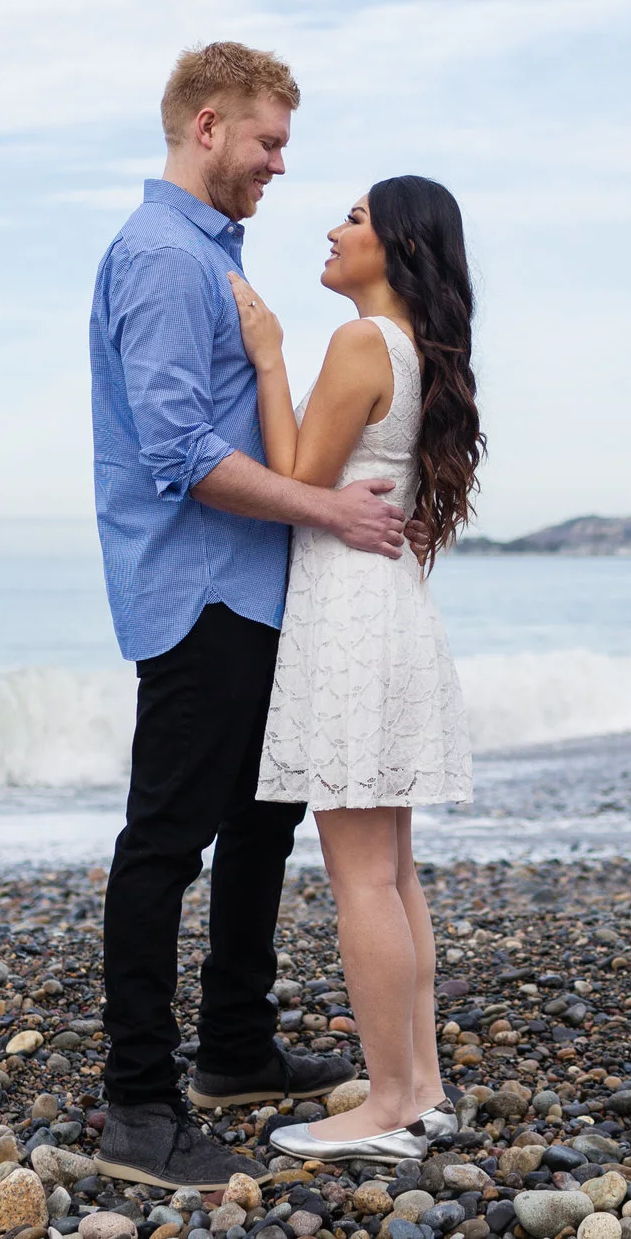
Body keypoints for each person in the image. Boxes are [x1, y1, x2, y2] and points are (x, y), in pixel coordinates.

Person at [87, 42, 413, 1192]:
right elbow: (180, 451)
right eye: (268, 141)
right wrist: (326, 508)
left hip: (257, 587)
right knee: (165, 841)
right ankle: (138, 1107)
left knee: (262, 823)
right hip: (199, 589)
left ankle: (234, 1046)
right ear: (208, 126)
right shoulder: (162, 256)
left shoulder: (208, 252)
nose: (279, 163)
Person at [222, 174, 485, 1165]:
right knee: (392, 870)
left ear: (399, 246)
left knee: (363, 876)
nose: (335, 230)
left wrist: (268, 356)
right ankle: (421, 1090)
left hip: (351, 622)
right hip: (392, 614)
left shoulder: (361, 341)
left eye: (357, 218)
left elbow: (295, 479)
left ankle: (386, 1105)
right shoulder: (418, 350)